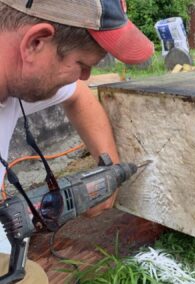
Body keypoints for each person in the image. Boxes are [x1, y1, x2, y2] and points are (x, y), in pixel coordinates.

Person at [0, 0, 154, 282]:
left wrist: (110, 170)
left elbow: (79, 95)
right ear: (34, 43)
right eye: (82, 64)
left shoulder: (10, 73)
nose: (85, 77)